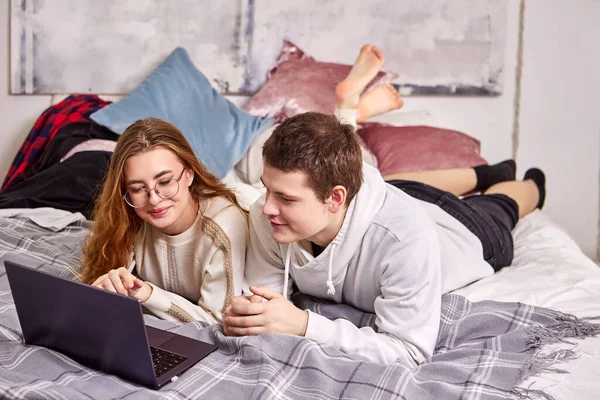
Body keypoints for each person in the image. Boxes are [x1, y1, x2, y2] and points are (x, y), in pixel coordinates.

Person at [222, 44, 546, 366]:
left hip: (465, 230)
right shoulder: (271, 213)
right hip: (394, 188)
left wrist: (306, 325)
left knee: (503, 204)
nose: (267, 208)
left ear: (335, 198)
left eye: (287, 198)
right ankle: (486, 172)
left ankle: (527, 182)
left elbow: (408, 350)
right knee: (389, 177)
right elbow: (261, 306)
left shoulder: (405, 238)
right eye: (269, 190)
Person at [80, 118, 248, 325]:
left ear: (189, 174)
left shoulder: (224, 228)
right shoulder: (130, 216)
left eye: (165, 181)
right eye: (137, 188)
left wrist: (149, 294)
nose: (154, 199)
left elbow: (219, 322)